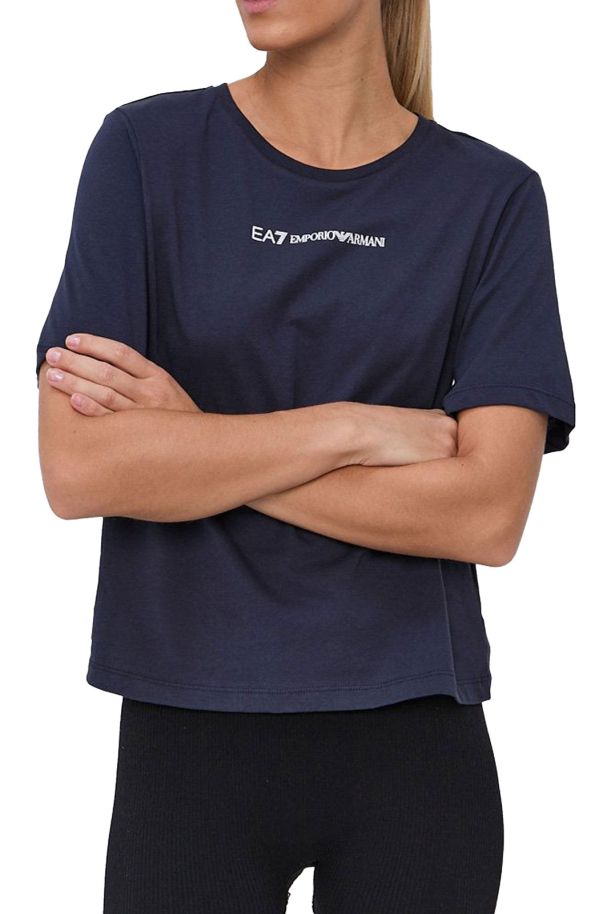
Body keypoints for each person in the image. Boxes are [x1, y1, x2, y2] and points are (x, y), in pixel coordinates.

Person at [35, 1, 576, 912]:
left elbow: (486, 515)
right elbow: (80, 470)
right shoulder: (144, 151)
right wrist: (352, 428)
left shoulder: (491, 196)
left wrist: (192, 441)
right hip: (188, 736)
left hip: (413, 740)